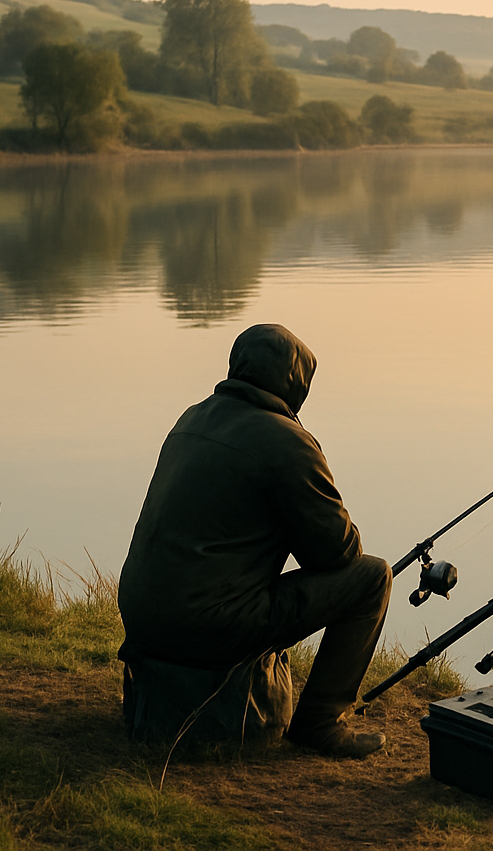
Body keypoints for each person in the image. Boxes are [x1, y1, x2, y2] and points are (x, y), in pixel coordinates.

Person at [118, 323, 391, 758]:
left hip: (143, 614)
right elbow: (338, 553)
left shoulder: (192, 417)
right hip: (208, 624)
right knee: (372, 576)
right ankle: (321, 722)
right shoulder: (288, 442)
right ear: (295, 385)